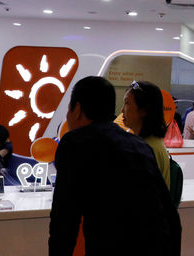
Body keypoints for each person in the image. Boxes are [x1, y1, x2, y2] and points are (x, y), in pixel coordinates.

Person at [49, 76, 181, 255]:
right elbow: (169, 215)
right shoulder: (139, 145)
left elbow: (64, 220)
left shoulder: (75, 143)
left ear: (77, 110)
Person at [122, 80, 171, 188]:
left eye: (127, 103)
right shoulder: (151, 143)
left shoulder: (147, 149)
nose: (122, 110)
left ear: (144, 110)